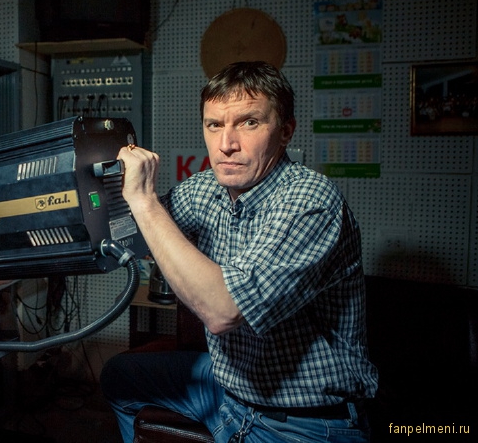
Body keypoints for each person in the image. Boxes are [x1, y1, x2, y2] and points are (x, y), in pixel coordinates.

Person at [100, 61, 378, 442]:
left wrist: (144, 201)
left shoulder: (311, 201)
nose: (227, 144)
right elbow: (138, 233)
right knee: (119, 376)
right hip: (229, 392)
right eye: (214, 125)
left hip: (302, 421)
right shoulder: (206, 189)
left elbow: (223, 310)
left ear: (285, 131)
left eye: (249, 122)